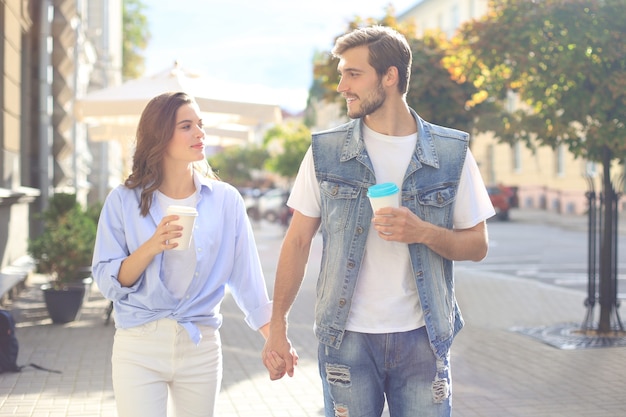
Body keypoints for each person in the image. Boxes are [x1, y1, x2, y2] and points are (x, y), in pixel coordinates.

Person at [261, 26, 495, 417]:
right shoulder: (326, 152)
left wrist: (421, 232)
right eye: (342, 74)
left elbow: (478, 244)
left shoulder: (452, 153)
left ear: (390, 76)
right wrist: (278, 325)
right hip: (347, 338)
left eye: (353, 74)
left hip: (423, 337)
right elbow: (298, 241)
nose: (341, 87)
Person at [92, 92, 282, 417]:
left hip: (201, 347)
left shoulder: (226, 200)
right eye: (186, 126)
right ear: (160, 135)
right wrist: (152, 245)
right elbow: (109, 282)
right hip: (139, 345)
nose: (199, 133)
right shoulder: (122, 201)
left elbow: (246, 277)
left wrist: (274, 338)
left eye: (200, 124)